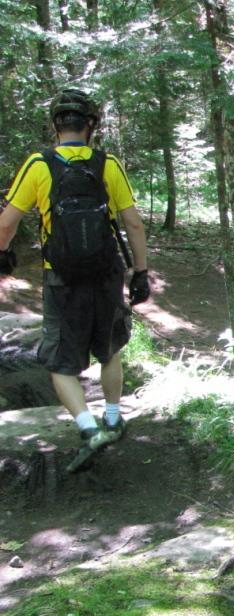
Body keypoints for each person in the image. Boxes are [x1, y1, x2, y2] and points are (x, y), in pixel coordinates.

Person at [0, 88, 151, 472]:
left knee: (60, 361)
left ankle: (88, 428)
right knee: (111, 347)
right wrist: (141, 271)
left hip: (62, 278)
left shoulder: (39, 164)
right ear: (90, 126)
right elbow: (132, 222)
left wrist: (4, 256)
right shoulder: (107, 164)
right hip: (106, 273)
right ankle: (114, 418)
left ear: (56, 126)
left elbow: (6, 224)